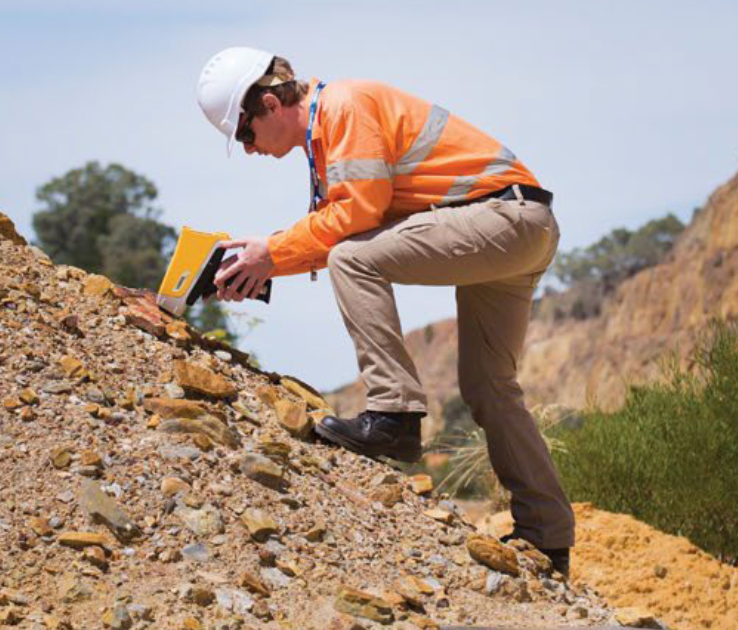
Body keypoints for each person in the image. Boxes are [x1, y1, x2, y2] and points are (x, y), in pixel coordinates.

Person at [196, 47, 575, 576]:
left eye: (244, 135)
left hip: (502, 218)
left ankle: (393, 414)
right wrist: (265, 264)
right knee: (490, 386)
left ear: (267, 103)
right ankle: (548, 539)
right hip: (520, 224)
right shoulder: (326, 130)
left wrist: (272, 253)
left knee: (351, 258)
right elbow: (349, 217)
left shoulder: (343, 106)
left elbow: (358, 214)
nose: (250, 149)